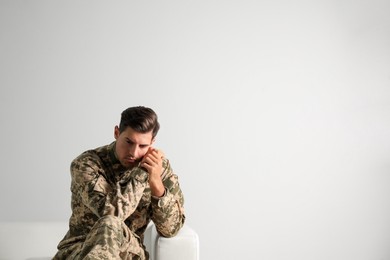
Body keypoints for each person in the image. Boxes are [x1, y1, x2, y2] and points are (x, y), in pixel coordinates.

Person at [54, 106, 185, 260]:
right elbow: (110, 215)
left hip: (127, 251)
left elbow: (171, 229)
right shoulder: (87, 164)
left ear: (152, 143)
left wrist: (156, 182)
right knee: (110, 223)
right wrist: (142, 173)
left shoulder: (158, 169)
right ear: (117, 133)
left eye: (143, 146)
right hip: (79, 250)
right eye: (129, 142)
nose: (134, 153)